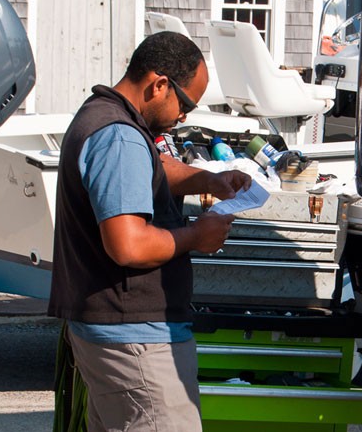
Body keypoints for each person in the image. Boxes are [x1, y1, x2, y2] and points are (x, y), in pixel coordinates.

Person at [47, 31, 251, 431]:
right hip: (135, 342)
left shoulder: (105, 117)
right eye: (186, 103)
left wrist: (209, 180)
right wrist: (197, 235)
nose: (184, 116)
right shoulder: (119, 135)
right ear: (159, 85)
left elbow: (149, 168)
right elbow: (129, 244)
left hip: (116, 332)